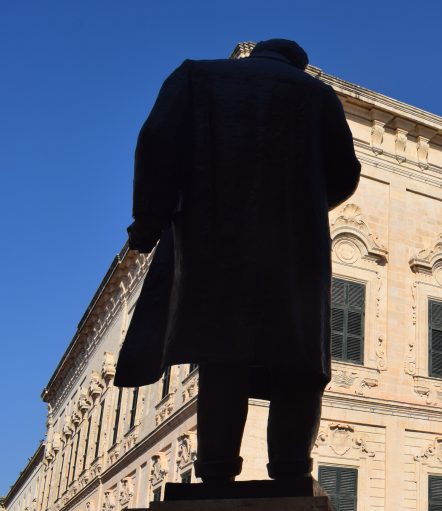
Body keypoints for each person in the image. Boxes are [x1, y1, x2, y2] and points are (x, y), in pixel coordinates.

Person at [114, 39, 361, 484]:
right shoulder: (317, 95)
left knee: (222, 355)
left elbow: (156, 141)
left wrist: (150, 217)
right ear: (298, 64)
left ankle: (215, 473)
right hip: (294, 246)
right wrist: (303, 200)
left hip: (213, 239)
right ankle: (290, 474)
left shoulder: (196, 76)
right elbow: (345, 173)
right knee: (299, 361)